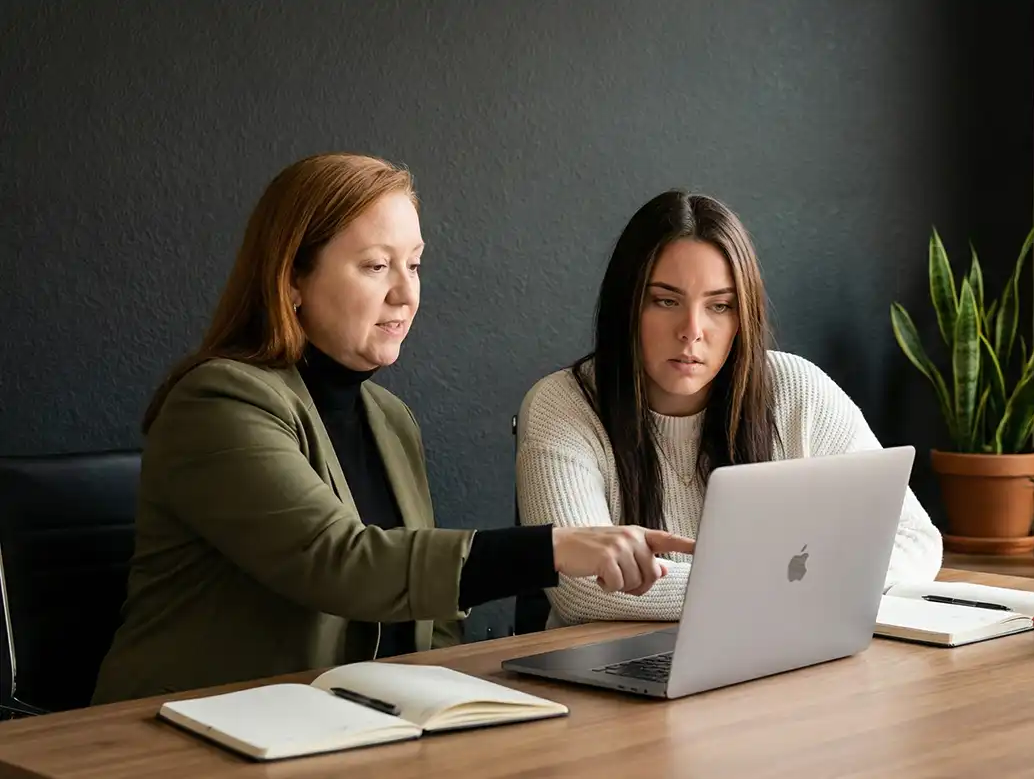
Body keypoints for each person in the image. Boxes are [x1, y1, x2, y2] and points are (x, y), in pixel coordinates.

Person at [91, 154, 695, 704]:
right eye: (377, 266)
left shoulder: (389, 418)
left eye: (415, 265)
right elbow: (339, 562)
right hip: (188, 731)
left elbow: (427, 620)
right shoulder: (218, 401)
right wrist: (555, 547)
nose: (406, 293)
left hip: (343, 728)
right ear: (292, 279)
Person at [515, 190, 943, 628]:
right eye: (666, 300)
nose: (692, 332)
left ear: (743, 317)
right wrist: (799, 588)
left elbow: (913, 536)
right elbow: (582, 590)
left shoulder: (797, 390)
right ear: (628, 304)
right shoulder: (562, 405)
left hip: (777, 660)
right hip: (612, 671)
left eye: (719, 306)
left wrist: (779, 592)